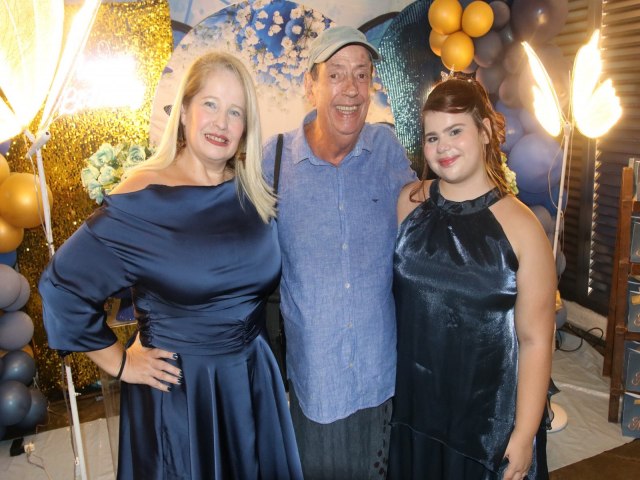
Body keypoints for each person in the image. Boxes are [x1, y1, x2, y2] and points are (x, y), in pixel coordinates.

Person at [39, 51, 303, 480]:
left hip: (252, 381)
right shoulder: (144, 198)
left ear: (246, 126)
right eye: (210, 104)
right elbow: (60, 288)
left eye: (235, 112)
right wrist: (120, 363)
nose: (221, 122)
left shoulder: (251, 190)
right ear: (183, 111)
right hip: (181, 395)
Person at [263, 26, 417, 479]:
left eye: (361, 74)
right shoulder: (273, 159)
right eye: (335, 74)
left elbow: (422, 212)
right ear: (310, 86)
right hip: (317, 384)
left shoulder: (386, 149)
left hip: (380, 377)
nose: (351, 88)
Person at [388, 76, 556, 480]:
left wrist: (524, 434)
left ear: (484, 132)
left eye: (455, 131)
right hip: (417, 413)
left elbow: (536, 340)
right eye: (432, 137)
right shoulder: (409, 204)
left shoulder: (523, 228)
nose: (442, 146)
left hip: (486, 430)